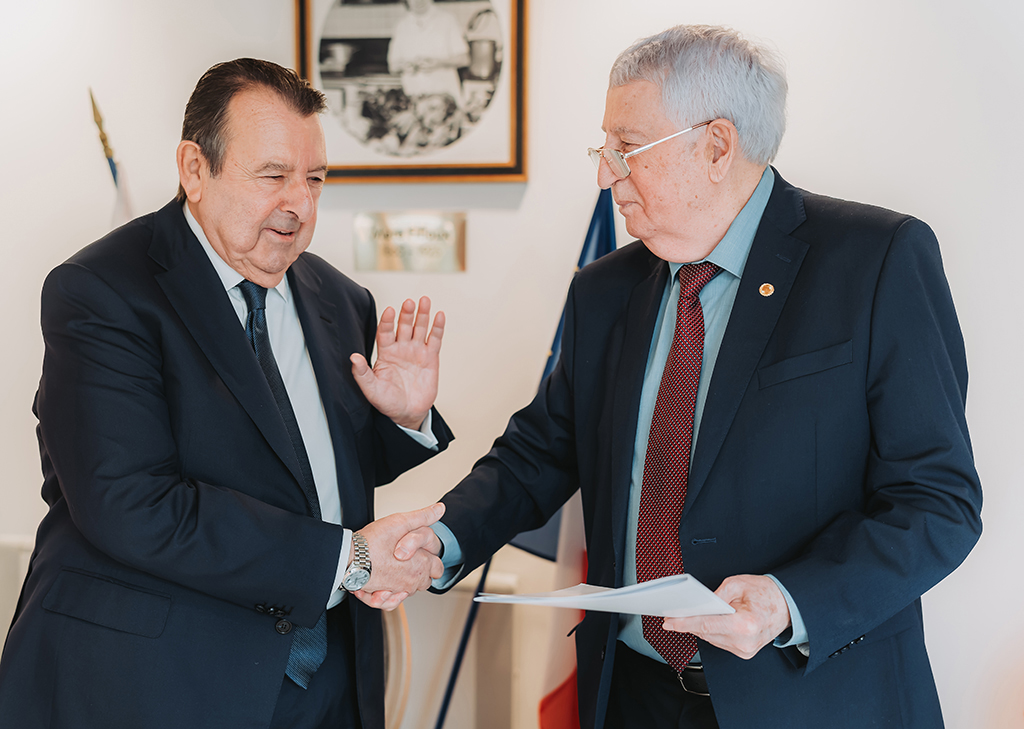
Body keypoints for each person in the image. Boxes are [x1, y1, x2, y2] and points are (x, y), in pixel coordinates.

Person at [380, 24, 984, 729]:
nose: (605, 175)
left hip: (812, 699)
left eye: (627, 148)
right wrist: (440, 538)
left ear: (717, 147)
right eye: (604, 150)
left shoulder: (876, 261)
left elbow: (937, 502)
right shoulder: (604, 290)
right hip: (633, 697)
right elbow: (540, 453)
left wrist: (791, 600)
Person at [0, 58, 453, 729]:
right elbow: (131, 503)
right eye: (273, 175)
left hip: (327, 682)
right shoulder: (100, 291)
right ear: (195, 168)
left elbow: (306, 475)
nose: (300, 203)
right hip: (159, 682)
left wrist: (405, 418)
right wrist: (350, 560)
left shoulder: (340, 299)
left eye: (315, 178)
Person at [387, 0, 470, 107]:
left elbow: (464, 59)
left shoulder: (447, 19)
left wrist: (439, 63)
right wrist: (406, 66)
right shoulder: (401, 25)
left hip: (445, 95)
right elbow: (393, 66)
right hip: (413, 95)